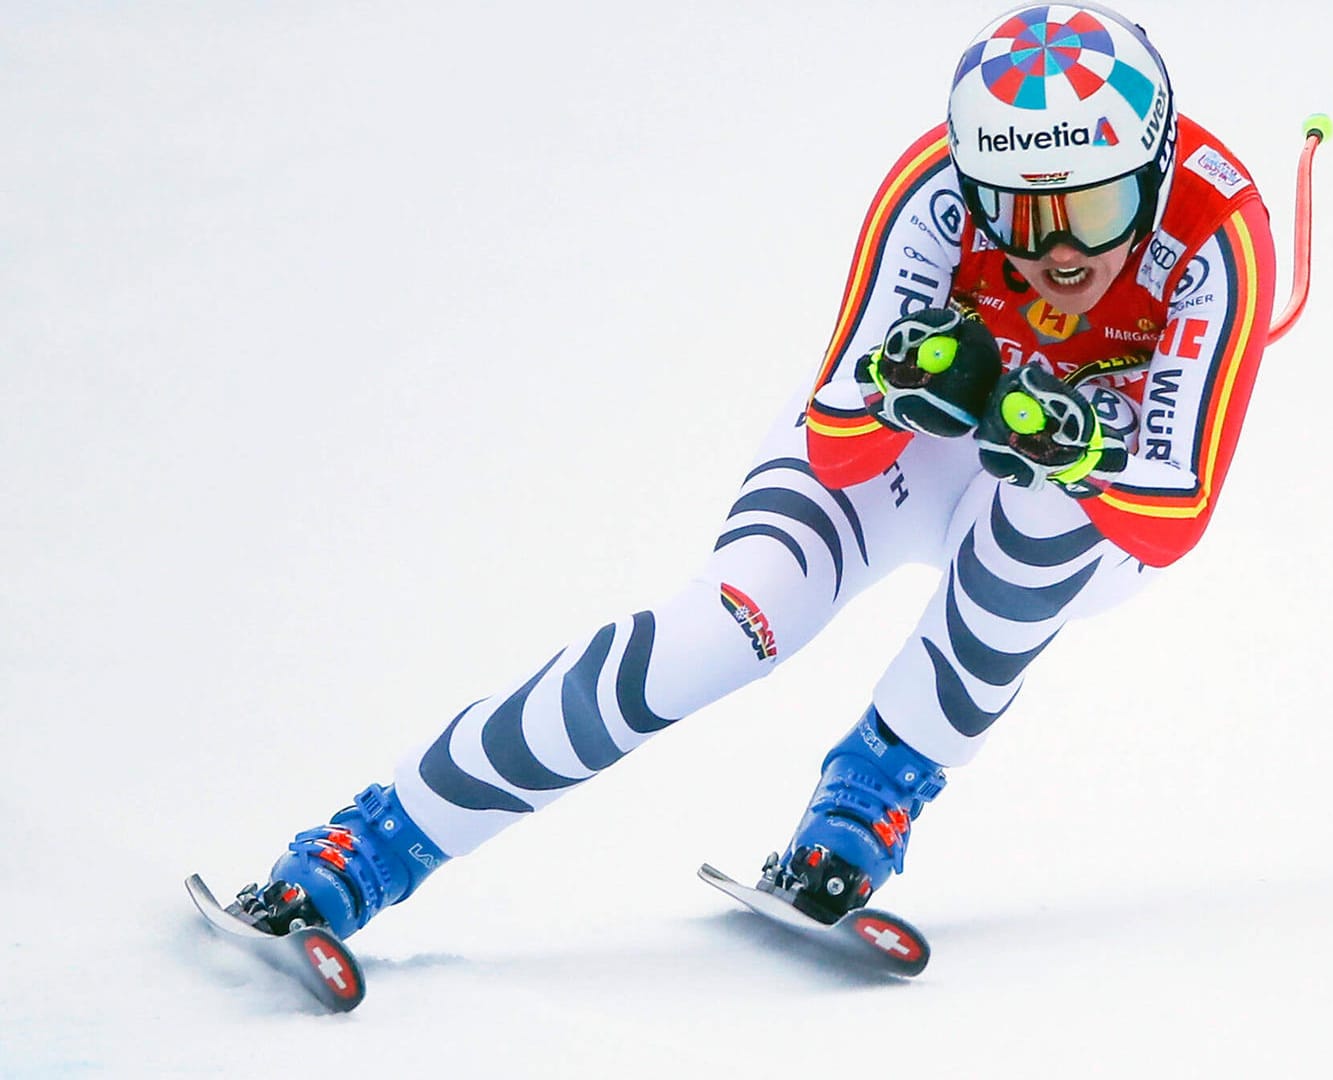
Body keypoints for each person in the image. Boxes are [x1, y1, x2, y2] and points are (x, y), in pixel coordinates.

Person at [227, 1, 1279, 938]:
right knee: (716, 636)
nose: (1059, 257)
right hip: (922, 455)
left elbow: (1174, 513)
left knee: (1044, 509)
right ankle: (375, 841)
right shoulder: (931, 190)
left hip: (1087, 507)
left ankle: (866, 801)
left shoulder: (1219, 232)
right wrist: (917, 393)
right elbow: (837, 439)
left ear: (1153, 165)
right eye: (1016, 214)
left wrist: (1081, 449)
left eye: (1093, 212)